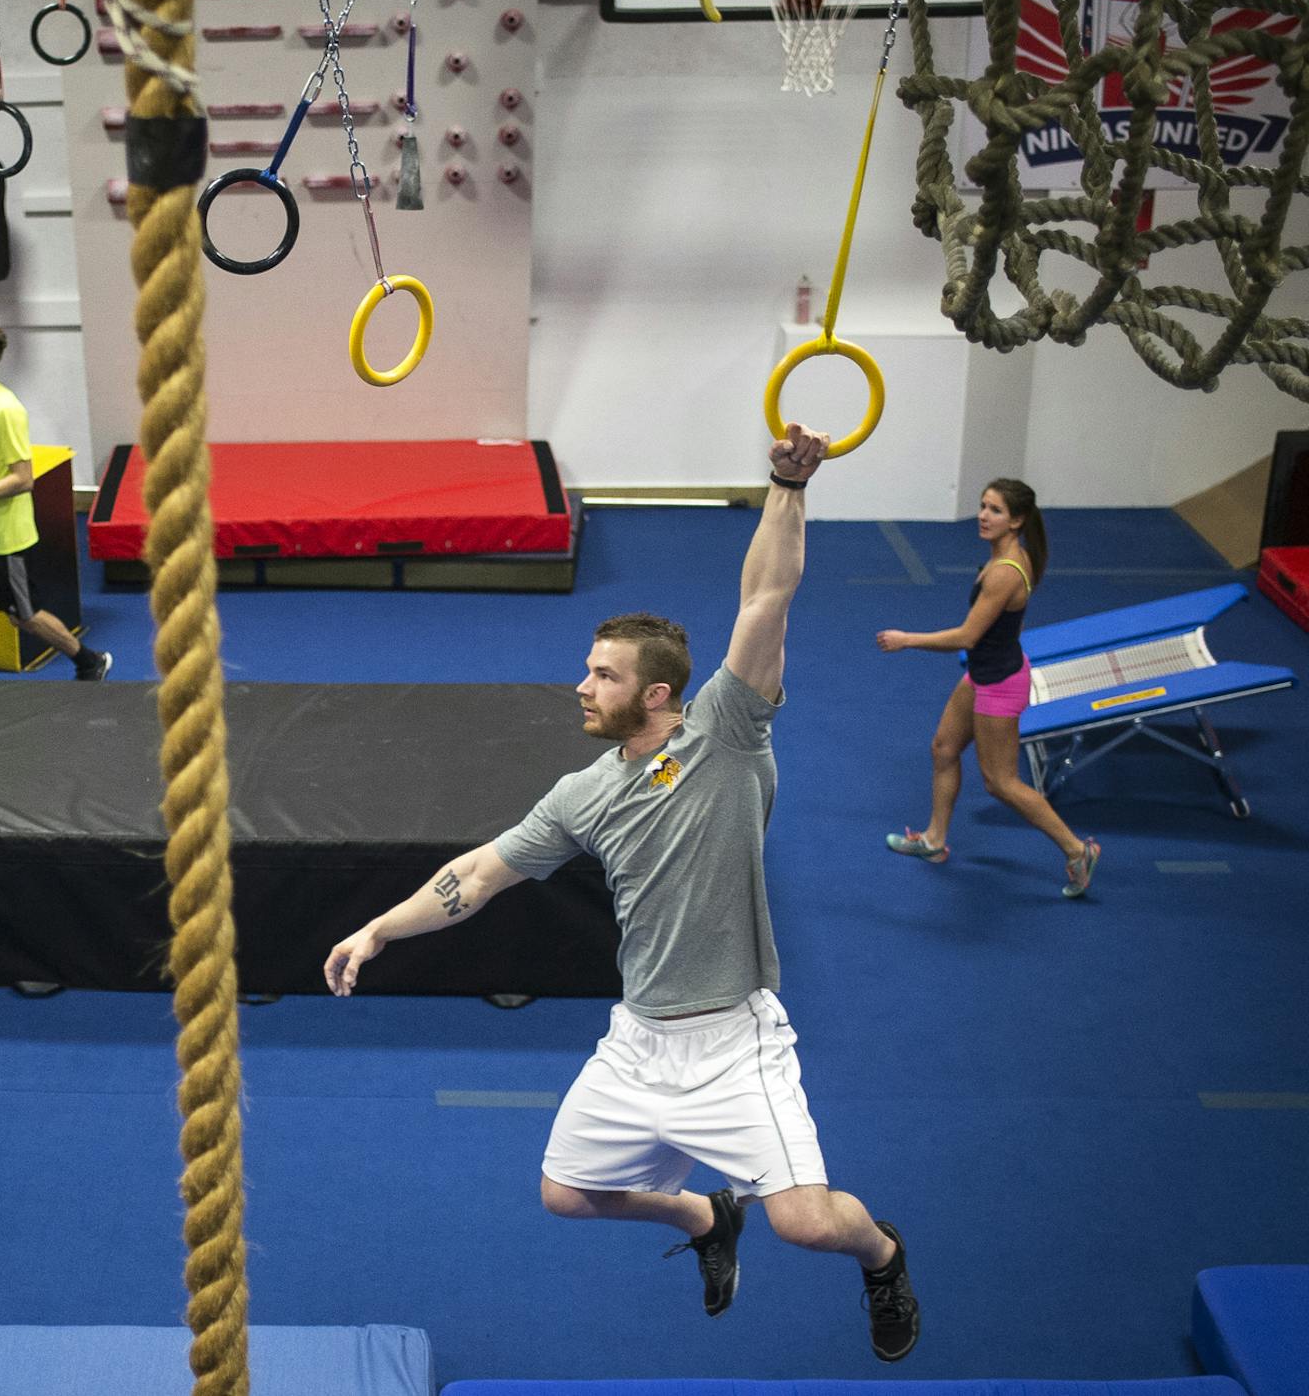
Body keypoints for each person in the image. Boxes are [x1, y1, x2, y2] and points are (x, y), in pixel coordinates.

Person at [322, 425, 920, 1362]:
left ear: (658, 695)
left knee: (807, 1223)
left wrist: (785, 484)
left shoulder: (725, 733)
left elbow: (766, 597)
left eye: (602, 674)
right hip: (640, 1039)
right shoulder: (583, 795)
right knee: (568, 1193)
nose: (580, 686)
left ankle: (883, 1254)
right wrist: (377, 930)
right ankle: (702, 1217)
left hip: (733, 1040)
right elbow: (478, 875)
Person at [877, 478, 1099, 897]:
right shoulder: (1011, 557)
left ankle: (1076, 849)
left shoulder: (1004, 573)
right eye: (982, 506)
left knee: (1001, 782)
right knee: (944, 749)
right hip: (986, 673)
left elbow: (966, 637)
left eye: (995, 510)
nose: (982, 515)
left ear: (1016, 520)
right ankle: (934, 840)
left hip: (999, 682)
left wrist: (907, 639)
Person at [0, 321, 110, 681]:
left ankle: (88, 660)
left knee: (24, 616)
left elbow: (23, 479)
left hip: (6, 539)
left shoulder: (7, 410)